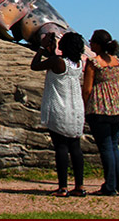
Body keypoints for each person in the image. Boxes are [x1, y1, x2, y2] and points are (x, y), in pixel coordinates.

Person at [31, 31, 87, 197]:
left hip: (59, 107)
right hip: (76, 107)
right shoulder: (78, 64)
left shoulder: (57, 61)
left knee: (61, 147)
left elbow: (35, 65)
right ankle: (80, 186)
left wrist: (42, 48)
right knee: (75, 147)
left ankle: (63, 187)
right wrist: (52, 49)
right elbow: (57, 63)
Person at [83, 29, 119, 196]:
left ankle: (110, 185)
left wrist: (84, 107)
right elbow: (117, 81)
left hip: (99, 107)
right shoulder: (116, 62)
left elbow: (87, 89)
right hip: (117, 107)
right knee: (114, 147)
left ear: (96, 44)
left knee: (106, 148)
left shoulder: (93, 63)